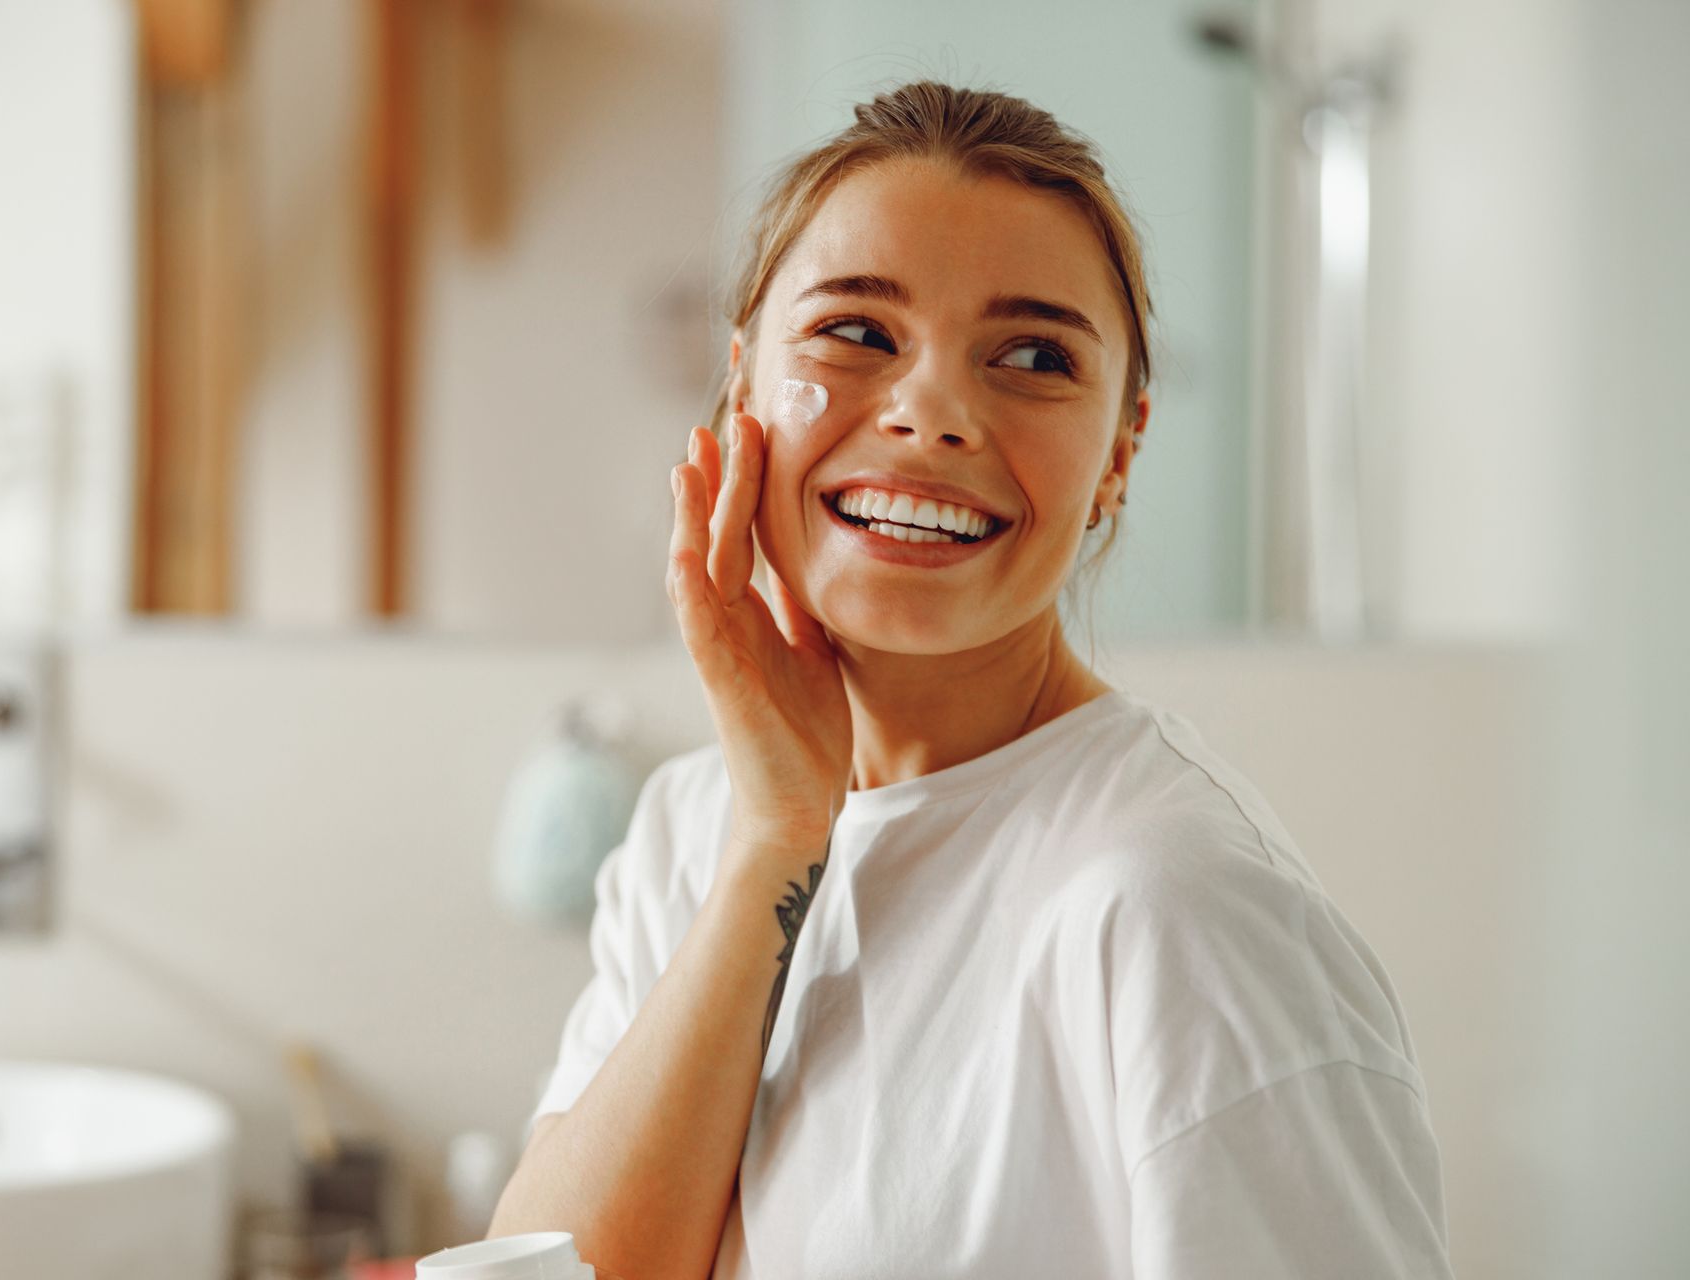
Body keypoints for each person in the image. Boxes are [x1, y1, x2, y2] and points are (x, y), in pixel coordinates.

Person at [487, 81, 1454, 1280]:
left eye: (1035, 355)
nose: (932, 411)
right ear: (743, 388)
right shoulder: (695, 828)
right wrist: (777, 839)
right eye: (856, 332)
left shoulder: (1178, 908)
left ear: (1119, 453)